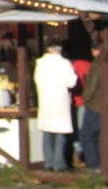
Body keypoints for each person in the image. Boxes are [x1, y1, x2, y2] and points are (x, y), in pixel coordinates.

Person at [33, 42, 78, 172]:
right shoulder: (64, 63)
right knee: (60, 132)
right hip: (60, 101)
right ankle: (59, 163)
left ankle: (48, 162)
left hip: (45, 101)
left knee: (47, 132)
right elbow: (71, 82)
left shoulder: (40, 64)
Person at [78, 45, 105, 170]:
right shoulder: (107, 62)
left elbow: (92, 85)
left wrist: (85, 98)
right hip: (103, 104)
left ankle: (93, 163)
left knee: (87, 134)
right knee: (99, 134)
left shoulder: (97, 64)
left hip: (94, 104)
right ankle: (101, 162)